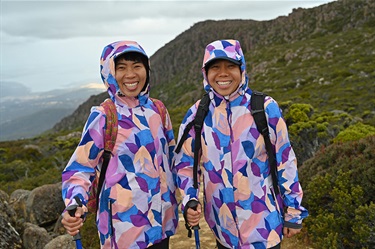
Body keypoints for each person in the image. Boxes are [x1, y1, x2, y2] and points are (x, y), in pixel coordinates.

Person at [174, 39, 308, 249]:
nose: (223, 73)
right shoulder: (198, 113)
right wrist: (190, 199)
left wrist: (293, 211)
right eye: (215, 67)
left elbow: (285, 160)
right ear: (205, 73)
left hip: (265, 226)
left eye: (230, 66)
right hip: (223, 229)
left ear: (242, 68)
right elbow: (185, 164)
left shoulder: (264, 108)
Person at [61, 40, 178, 249]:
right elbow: (79, 169)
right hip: (124, 231)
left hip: (160, 224)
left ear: (146, 70)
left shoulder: (158, 110)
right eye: (121, 68)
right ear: (109, 73)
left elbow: (172, 159)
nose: (130, 74)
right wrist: (75, 202)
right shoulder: (104, 116)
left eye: (137, 66)